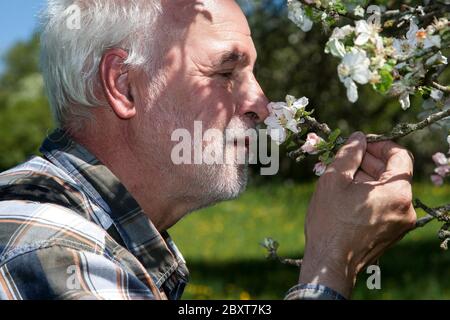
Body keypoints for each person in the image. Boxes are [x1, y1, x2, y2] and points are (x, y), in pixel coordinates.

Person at [0, 0, 416, 300]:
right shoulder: (57, 251)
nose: (261, 105)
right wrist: (329, 265)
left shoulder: (104, 236)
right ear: (124, 85)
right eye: (225, 71)